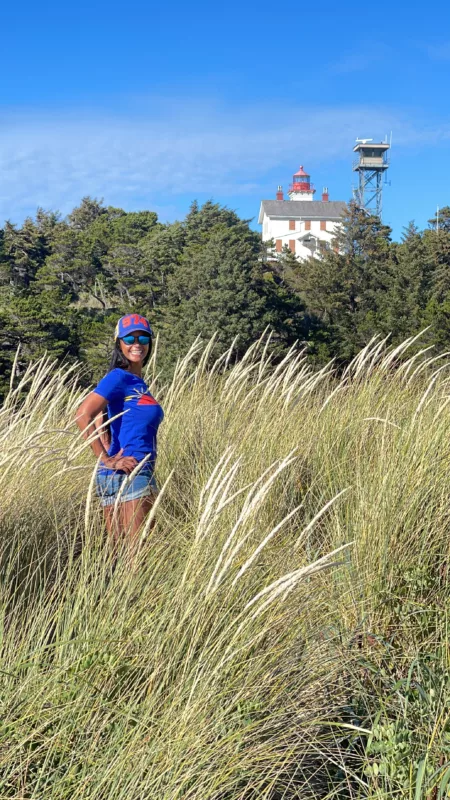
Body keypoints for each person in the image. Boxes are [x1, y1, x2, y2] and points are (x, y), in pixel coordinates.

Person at [75, 314, 164, 544]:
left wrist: (107, 451)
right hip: (131, 471)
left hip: (120, 475)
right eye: (129, 338)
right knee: (139, 557)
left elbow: (101, 418)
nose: (137, 344)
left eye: (143, 338)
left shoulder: (136, 383)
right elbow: (83, 414)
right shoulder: (119, 377)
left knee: (119, 559)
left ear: (150, 342)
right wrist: (105, 459)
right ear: (119, 343)